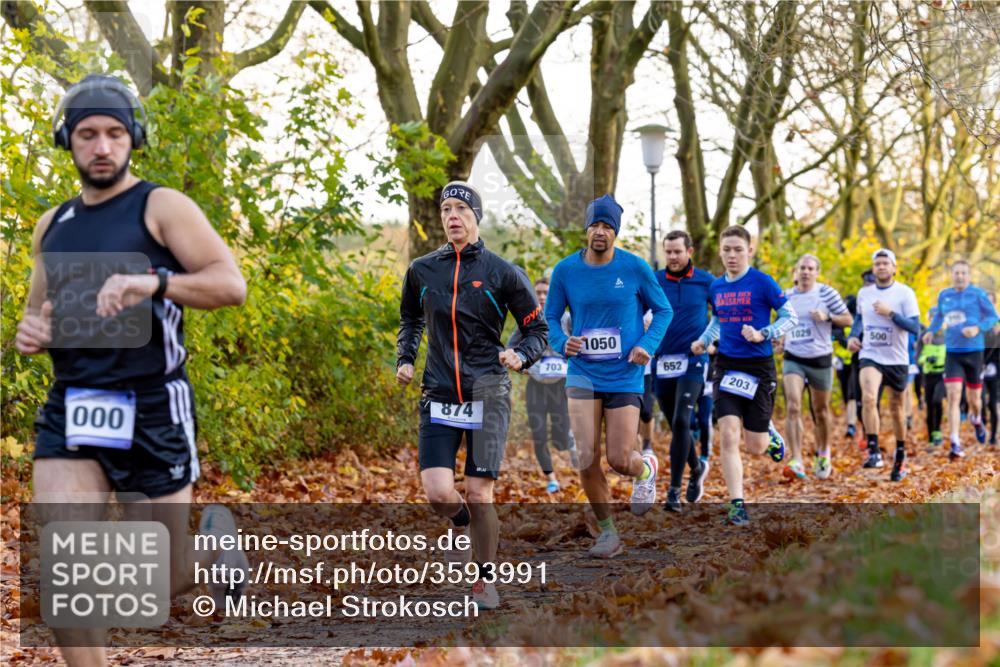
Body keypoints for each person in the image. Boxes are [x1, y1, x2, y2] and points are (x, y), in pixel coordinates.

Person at [16, 74, 248, 667]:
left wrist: (156, 281)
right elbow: (36, 312)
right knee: (67, 572)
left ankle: (211, 552)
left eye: (115, 133)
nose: (102, 146)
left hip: (151, 405)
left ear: (132, 138)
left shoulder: (161, 206)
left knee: (160, 582)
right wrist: (33, 333)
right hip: (73, 405)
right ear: (68, 140)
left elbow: (230, 285)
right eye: (88, 134)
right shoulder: (53, 224)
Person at [396, 180, 548, 609]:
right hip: (440, 394)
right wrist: (406, 357)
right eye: (446, 209)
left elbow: (538, 330)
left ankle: (484, 579)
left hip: (487, 393)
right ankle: (459, 523)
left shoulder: (503, 272)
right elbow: (410, 319)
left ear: (476, 217)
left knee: (480, 493)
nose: (453, 216)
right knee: (439, 493)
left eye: (461, 208)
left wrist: (521, 355)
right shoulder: (423, 270)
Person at [545, 194, 672, 558]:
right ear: (586, 229)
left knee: (619, 459)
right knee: (585, 455)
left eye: (607, 226)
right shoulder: (566, 271)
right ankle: (608, 533)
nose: (600, 232)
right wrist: (560, 340)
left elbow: (662, 310)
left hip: (625, 374)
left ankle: (644, 468)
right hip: (582, 373)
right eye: (595, 225)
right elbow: (551, 316)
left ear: (615, 232)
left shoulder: (634, 268)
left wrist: (647, 344)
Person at [691, 225, 796, 526]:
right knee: (727, 435)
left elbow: (790, 316)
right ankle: (737, 504)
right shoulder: (716, 287)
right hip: (726, 366)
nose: (732, 255)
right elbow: (717, 320)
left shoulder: (762, 282)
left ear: (750, 250)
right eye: (727, 250)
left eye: (738, 249)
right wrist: (704, 340)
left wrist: (765, 332)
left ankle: (770, 434)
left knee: (756, 446)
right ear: (721, 252)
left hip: (759, 368)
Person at [774, 254, 852, 480]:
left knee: (821, 410)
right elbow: (781, 323)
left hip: (820, 358)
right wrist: (779, 339)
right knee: (793, 405)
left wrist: (827, 316)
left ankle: (823, 453)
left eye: (810, 268)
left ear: (817, 272)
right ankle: (796, 458)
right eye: (802, 268)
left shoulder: (826, 293)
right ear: (795, 272)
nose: (806, 272)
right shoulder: (785, 296)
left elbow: (848, 319)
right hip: (793, 358)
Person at [652, 230, 714, 511]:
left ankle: (673, 491)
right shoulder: (654, 281)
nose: (673, 257)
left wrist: (712, 342)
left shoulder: (706, 281)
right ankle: (696, 467)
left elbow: (724, 316)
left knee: (681, 421)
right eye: (668, 252)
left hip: (693, 360)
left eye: (677, 251)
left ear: (690, 252)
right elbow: (638, 311)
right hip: (662, 361)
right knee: (674, 421)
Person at [847, 249, 921, 481]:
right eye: (877, 264)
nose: (880, 267)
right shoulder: (864, 293)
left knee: (897, 409)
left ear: (894, 268)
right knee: (868, 398)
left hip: (897, 358)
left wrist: (892, 314)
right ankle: (874, 450)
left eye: (885, 263)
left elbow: (915, 328)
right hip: (870, 354)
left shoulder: (905, 294)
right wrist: (853, 336)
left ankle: (900, 453)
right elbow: (860, 319)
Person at [508, 277, 579, 492]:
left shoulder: (567, 319)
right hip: (536, 385)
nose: (541, 296)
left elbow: (584, 344)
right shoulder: (527, 320)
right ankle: (552, 479)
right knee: (538, 434)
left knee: (559, 439)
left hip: (561, 385)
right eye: (537, 292)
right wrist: (521, 365)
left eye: (545, 292)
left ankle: (570, 441)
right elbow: (511, 348)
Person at [921, 260, 999, 458]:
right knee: (954, 395)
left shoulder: (978, 294)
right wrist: (931, 330)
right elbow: (939, 316)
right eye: (956, 273)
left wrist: (977, 328)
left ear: (969, 275)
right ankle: (955, 441)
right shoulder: (944, 295)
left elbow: (993, 317)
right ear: (952, 274)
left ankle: (977, 419)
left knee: (975, 400)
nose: (960, 276)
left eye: (964, 273)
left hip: (974, 352)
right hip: (953, 353)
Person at [918, 313, 947, 449]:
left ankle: (938, 431)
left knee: (937, 400)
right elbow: (918, 357)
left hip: (942, 375)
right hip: (928, 375)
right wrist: (927, 359)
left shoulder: (947, 336)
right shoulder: (924, 337)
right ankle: (931, 436)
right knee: (929, 406)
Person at [983, 292, 999, 446]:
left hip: (996, 367)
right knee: (979, 402)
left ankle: (993, 436)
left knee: (993, 403)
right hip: (978, 366)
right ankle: (981, 423)